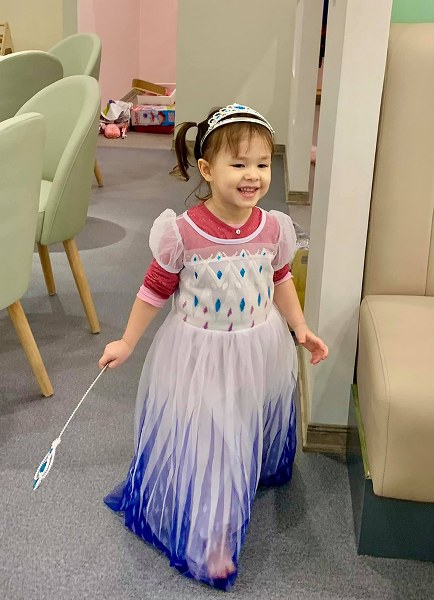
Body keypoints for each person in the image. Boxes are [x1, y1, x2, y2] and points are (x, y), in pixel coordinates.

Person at [99, 103, 328, 590]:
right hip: (200, 356)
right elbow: (154, 290)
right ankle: (213, 538)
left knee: (242, 423)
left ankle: (243, 483)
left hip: (258, 347)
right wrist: (127, 341)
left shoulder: (273, 227)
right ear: (206, 169)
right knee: (213, 440)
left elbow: (280, 279)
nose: (253, 175)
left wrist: (300, 328)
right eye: (238, 164)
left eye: (262, 163)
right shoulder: (183, 233)